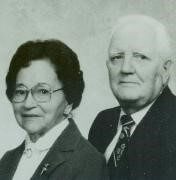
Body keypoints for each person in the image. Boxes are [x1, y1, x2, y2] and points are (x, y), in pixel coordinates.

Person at [0, 39, 109, 180]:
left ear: (69, 100)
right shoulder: (7, 160)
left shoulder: (87, 161)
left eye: (43, 91)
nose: (28, 103)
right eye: (20, 91)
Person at [88, 15, 176, 180]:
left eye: (141, 57)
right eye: (117, 57)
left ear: (165, 69)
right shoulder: (103, 122)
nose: (126, 68)